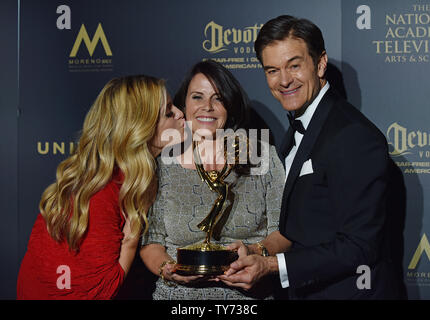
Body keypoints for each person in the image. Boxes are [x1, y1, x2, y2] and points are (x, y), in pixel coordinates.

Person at [219, 15, 402, 299]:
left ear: (320, 63)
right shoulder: (300, 127)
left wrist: (269, 265)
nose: (284, 80)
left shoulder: (353, 136)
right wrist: (257, 251)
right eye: (272, 70)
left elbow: (359, 246)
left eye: (294, 65)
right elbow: (304, 226)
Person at [17, 75, 185, 299]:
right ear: (140, 127)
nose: (180, 114)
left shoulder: (129, 175)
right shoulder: (103, 189)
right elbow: (103, 289)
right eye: (168, 112)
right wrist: (132, 236)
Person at [140, 60, 289, 300]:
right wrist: (168, 270)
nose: (207, 107)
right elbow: (152, 241)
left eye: (218, 98)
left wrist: (255, 251)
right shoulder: (163, 163)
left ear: (230, 105)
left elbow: (283, 232)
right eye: (197, 97)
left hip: (248, 297)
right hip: (178, 297)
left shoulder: (261, 156)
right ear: (183, 104)